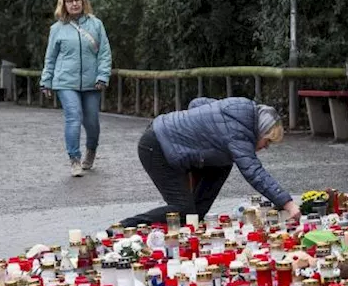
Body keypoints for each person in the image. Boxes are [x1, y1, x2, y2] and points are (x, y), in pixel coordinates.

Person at [122, 97, 300, 228]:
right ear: (259, 131)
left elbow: (196, 103)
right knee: (183, 209)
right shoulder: (238, 131)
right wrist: (288, 204)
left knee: (222, 164)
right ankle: (125, 227)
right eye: (267, 141)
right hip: (157, 147)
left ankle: (192, 225)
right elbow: (254, 172)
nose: (265, 147)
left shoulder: (239, 110)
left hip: (163, 137)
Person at [41, 0, 112, 177]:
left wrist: (102, 76)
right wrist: (46, 81)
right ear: (63, 4)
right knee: (73, 116)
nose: (74, 3)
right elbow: (51, 57)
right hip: (65, 82)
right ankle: (74, 159)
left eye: (77, 0)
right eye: (70, 0)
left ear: (83, 2)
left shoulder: (96, 25)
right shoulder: (57, 29)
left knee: (92, 121)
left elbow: (104, 53)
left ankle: (91, 150)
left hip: (92, 83)